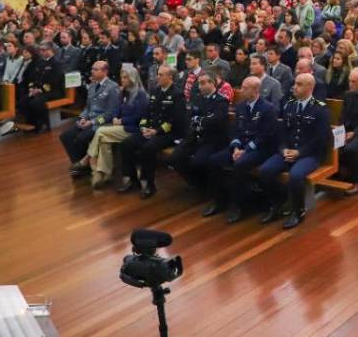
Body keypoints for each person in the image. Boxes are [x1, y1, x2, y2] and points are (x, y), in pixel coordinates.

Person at [255, 73, 332, 229]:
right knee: (265, 171)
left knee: (295, 176)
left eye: (299, 84)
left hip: (310, 154)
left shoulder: (320, 109)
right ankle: (277, 204)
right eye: (295, 84)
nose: (294, 87)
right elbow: (282, 132)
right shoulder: (289, 105)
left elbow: (321, 139)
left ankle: (298, 211)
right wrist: (283, 149)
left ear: (310, 87)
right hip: (288, 151)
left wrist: (300, 153)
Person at [209, 76, 280, 222]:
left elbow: (265, 136)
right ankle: (220, 200)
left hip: (261, 149)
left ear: (255, 90)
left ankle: (239, 205)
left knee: (240, 165)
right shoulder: (241, 106)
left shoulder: (268, 108)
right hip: (240, 146)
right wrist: (236, 147)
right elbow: (234, 130)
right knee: (214, 161)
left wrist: (245, 150)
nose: (241, 91)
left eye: (245, 88)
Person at [117, 64, 185, 199]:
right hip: (150, 129)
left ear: (170, 77)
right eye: (157, 74)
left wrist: (156, 131)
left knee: (148, 148)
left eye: (160, 75)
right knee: (126, 144)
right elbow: (147, 113)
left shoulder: (177, 94)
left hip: (168, 133)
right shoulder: (155, 90)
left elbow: (175, 120)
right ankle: (132, 179)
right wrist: (143, 127)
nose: (157, 77)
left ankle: (150, 184)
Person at [173, 72, 232, 216]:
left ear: (213, 84)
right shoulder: (197, 99)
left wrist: (199, 120)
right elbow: (190, 119)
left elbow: (216, 120)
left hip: (213, 140)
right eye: (200, 83)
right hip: (195, 137)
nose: (202, 85)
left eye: (206, 82)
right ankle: (199, 185)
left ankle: (213, 193)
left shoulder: (220, 101)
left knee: (199, 161)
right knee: (176, 158)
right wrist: (199, 121)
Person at [85, 65, 149, 189]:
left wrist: (122, 121)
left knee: (100, 131)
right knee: (103, 141)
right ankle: (105, 173)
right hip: (120, 126)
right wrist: (115, 118)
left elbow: (140, 117)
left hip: (133, 129)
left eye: (125, 77)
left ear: (132, 79)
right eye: (121, 77)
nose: (122, 80)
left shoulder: (141, 95)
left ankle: (89, 159)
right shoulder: (123, 92)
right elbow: (116, 109)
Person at [62, 61, 120, 175]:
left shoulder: (112, 87)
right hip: (88, 120)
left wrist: (92, 122)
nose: (92, 71)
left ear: (105, 71)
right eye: (92, 69)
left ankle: (82, 165)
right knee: (66, 136)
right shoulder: (93, 85)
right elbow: (88, 107)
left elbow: (112, 112)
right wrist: (82, 117)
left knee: (80, 138)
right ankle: (79, 164)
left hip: (102, 123)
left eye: (95, 69)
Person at [13, 42, 64, 133]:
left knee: (36, 102)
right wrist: (32, 88)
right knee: (24, 101)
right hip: (39, 91)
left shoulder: (56, 63)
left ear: (51, 50)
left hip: (53, 91)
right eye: (41, 50)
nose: (42, 52)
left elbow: (54, 81)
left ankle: (44, 123)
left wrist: (40, 90)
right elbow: (32, 77)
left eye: (44, 50)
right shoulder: (40, 62)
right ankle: (31, 123)